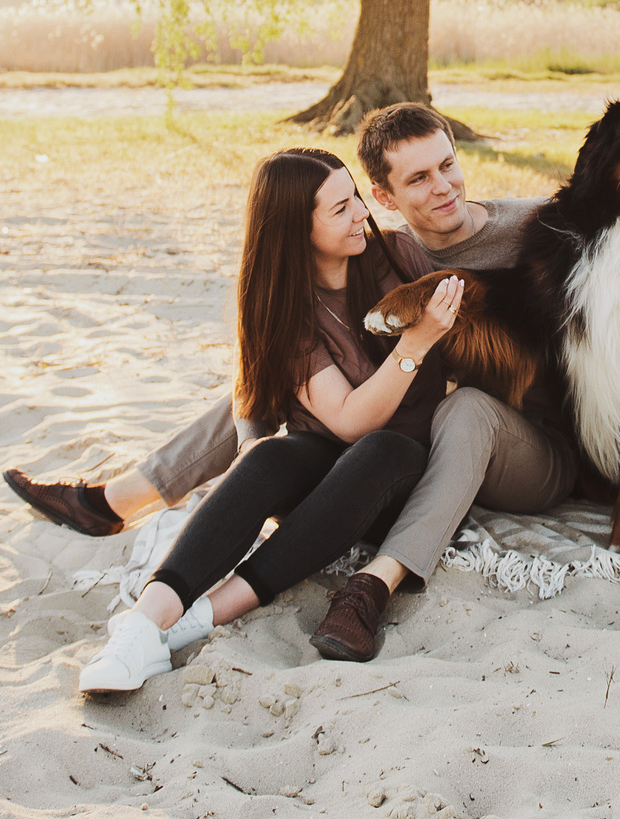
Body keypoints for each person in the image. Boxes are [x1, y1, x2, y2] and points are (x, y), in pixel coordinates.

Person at [9, 103, 620, 661]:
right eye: (417, 178)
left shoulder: (535, 227)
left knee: (466, 408)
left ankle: (374, 586)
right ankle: (123, 497)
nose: (443, 186)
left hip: (539, 438)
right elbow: (294, 357)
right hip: (435, 428)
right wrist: (266, 446)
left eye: (448, 164)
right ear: (381, 196)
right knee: (292, 376)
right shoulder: (389, 250)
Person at [72, 147, 463, 692]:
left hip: (395, 475)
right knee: (274, 454)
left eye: (355, 199)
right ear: (295, 231)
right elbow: (345, 421)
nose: (360, 216)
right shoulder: (287, 306)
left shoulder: (395, 257)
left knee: (380, 449)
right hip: (324, 473)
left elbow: (369, 432)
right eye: (339, 209)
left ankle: (203, 618)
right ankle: (140, 626)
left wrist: (420, 343)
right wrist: (413, 345)